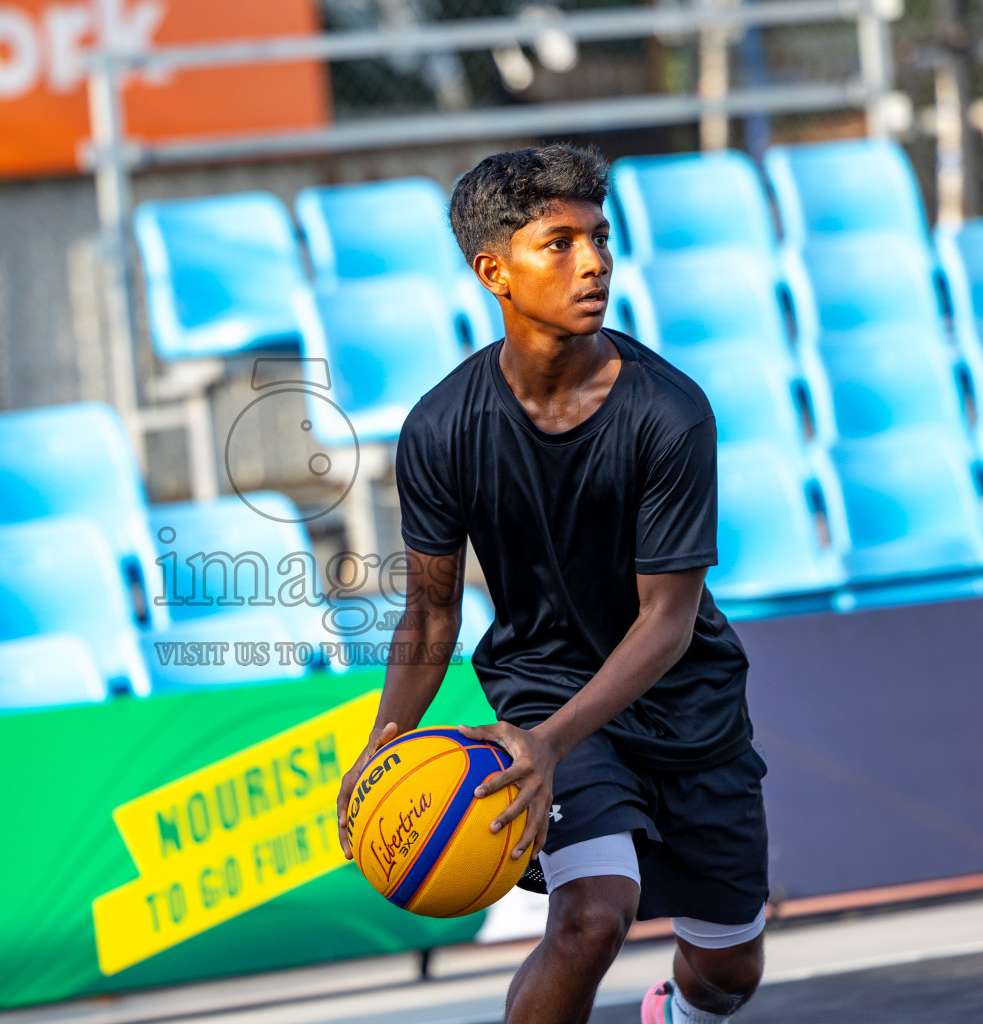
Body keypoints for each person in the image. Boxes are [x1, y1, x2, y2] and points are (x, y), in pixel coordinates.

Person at [335, 144, 768, 1024]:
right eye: (560, 243)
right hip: (543, 686)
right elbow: (431, 606)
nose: (594, 262)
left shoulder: (670, 413)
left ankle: (676, 1010)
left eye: (599, 238)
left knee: (728, 972)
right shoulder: (440, 427)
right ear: (495, 270)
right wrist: (388, 734)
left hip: (681, 693)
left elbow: (668, 623)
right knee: (589, 917)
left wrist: (551, 745)